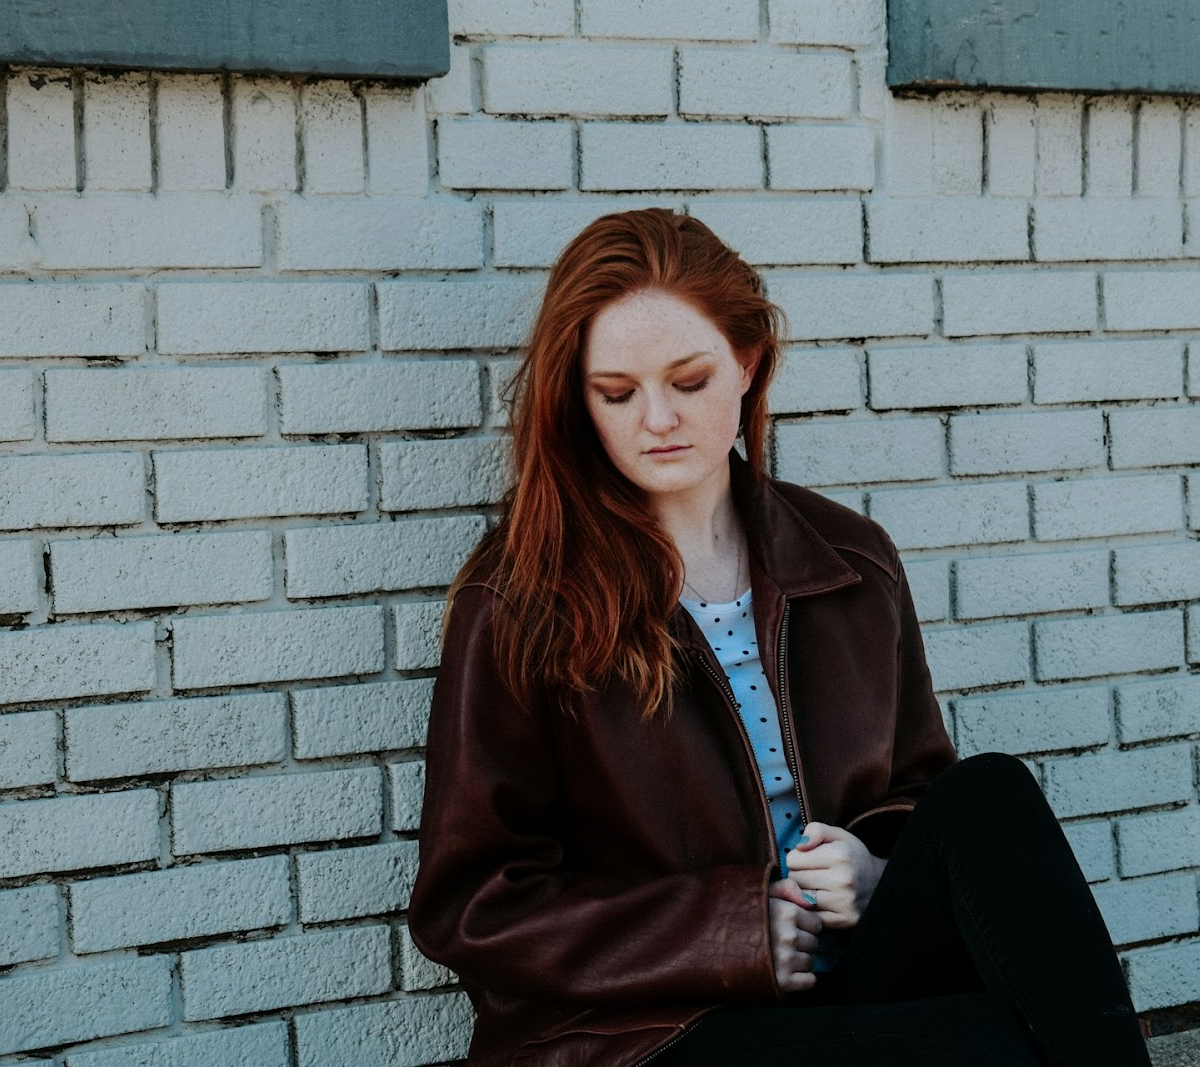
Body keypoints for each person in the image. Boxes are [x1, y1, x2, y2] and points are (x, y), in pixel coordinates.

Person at [407, 207, 1152, 1067]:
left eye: (688, 380)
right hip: (650, 1034)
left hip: (841, 987)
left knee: (989, 795)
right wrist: (728, 928)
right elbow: (472, 904)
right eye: (617, 392)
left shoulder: (850, 561)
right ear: (578, 400)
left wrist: (872, 870)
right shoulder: (522, 598)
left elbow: (919, 787)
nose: (657, 419)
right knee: (993, 1045)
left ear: (748, 364)